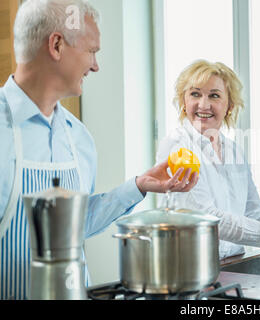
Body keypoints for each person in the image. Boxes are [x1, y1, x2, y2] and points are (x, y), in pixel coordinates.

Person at [0, 0, 198, 300]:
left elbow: (75, 226)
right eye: (92, 51)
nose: (95, 65)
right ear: (56, 45)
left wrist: (138, 186)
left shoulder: (78, 137)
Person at [156, 60, 260, 262]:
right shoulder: (178, 146)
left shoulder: (232, 149)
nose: (203, 104)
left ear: (229, 105)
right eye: (195, 94)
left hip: (231, 264)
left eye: (214, 95)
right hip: (189, 270)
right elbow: (207, 220)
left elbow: (252, 210)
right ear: (183, 102)